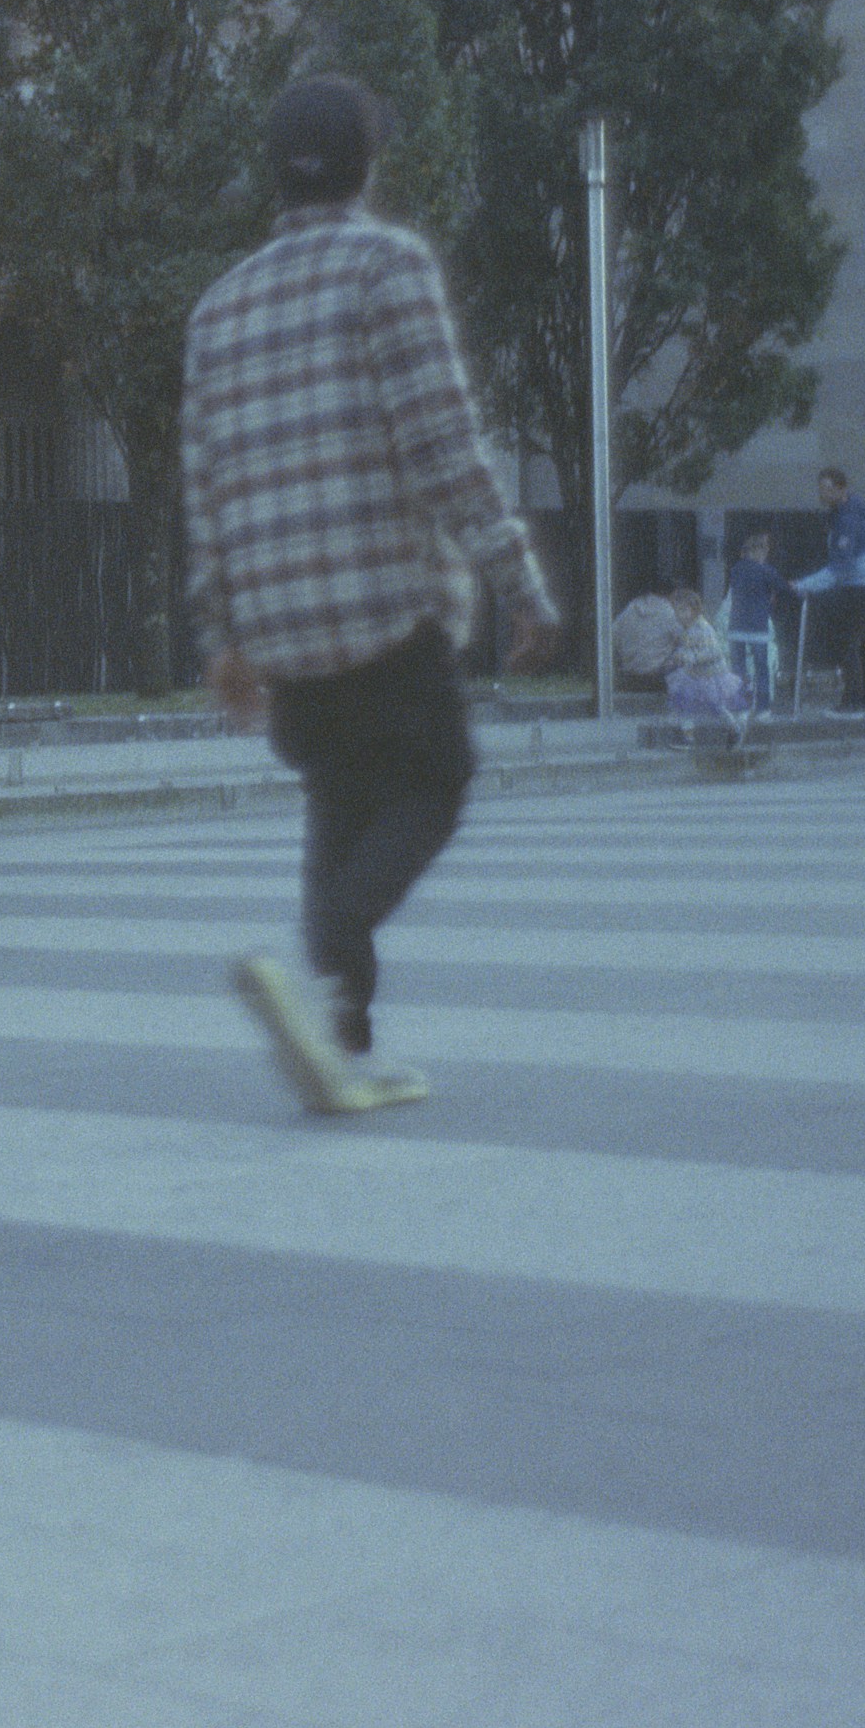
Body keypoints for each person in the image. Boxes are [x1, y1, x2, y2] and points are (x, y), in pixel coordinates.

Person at [184, 75, 558, 1115]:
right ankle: (332, 954)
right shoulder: (384, 267)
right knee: (431, 783)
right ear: (366, 164)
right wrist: (515, 579)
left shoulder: (219, 307)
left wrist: (224, 636)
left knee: (338, 804)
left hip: (281, 630)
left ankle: (337, 1040)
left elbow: (203, 483)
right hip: (383, 612)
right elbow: (439, 441)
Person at [797, 468, 865, 712]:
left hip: (857, 587)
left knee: (848, 643)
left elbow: (840, 569)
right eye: (820, 488)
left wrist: (804, 584)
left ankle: (852, 700)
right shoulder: (850, 510)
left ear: (841, 489)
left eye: (826, 488)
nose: (821, 493)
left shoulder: (846, 520)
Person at [662, 586, 750, 727]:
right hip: (695, 674)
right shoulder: (686, 629)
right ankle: (687, 734)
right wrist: (677, 657)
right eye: (676, 611)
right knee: (685, 704)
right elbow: (685, 648)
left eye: (683, 610)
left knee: (718, 704)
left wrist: (692, 657)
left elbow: (713, 651)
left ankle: (736, 726)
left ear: (694, 610)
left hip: (711, 674)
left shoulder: (703, 628)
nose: (679, 615)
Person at [722, 528, 783, 713]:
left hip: (736, 626)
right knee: (761, 668)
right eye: (765, 550)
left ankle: (741, 705)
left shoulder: (736, 569)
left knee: (738, 668)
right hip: (757, 627)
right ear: (760, 550)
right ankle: (763, 708)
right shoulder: (766, 570)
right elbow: (782, 587)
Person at [611, 585, 684, 690]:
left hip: (628, 678)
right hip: (657, 680)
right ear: (673, 594)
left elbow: (611, 638)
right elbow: (686, 642)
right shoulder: (669, 612)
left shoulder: (630, 608)